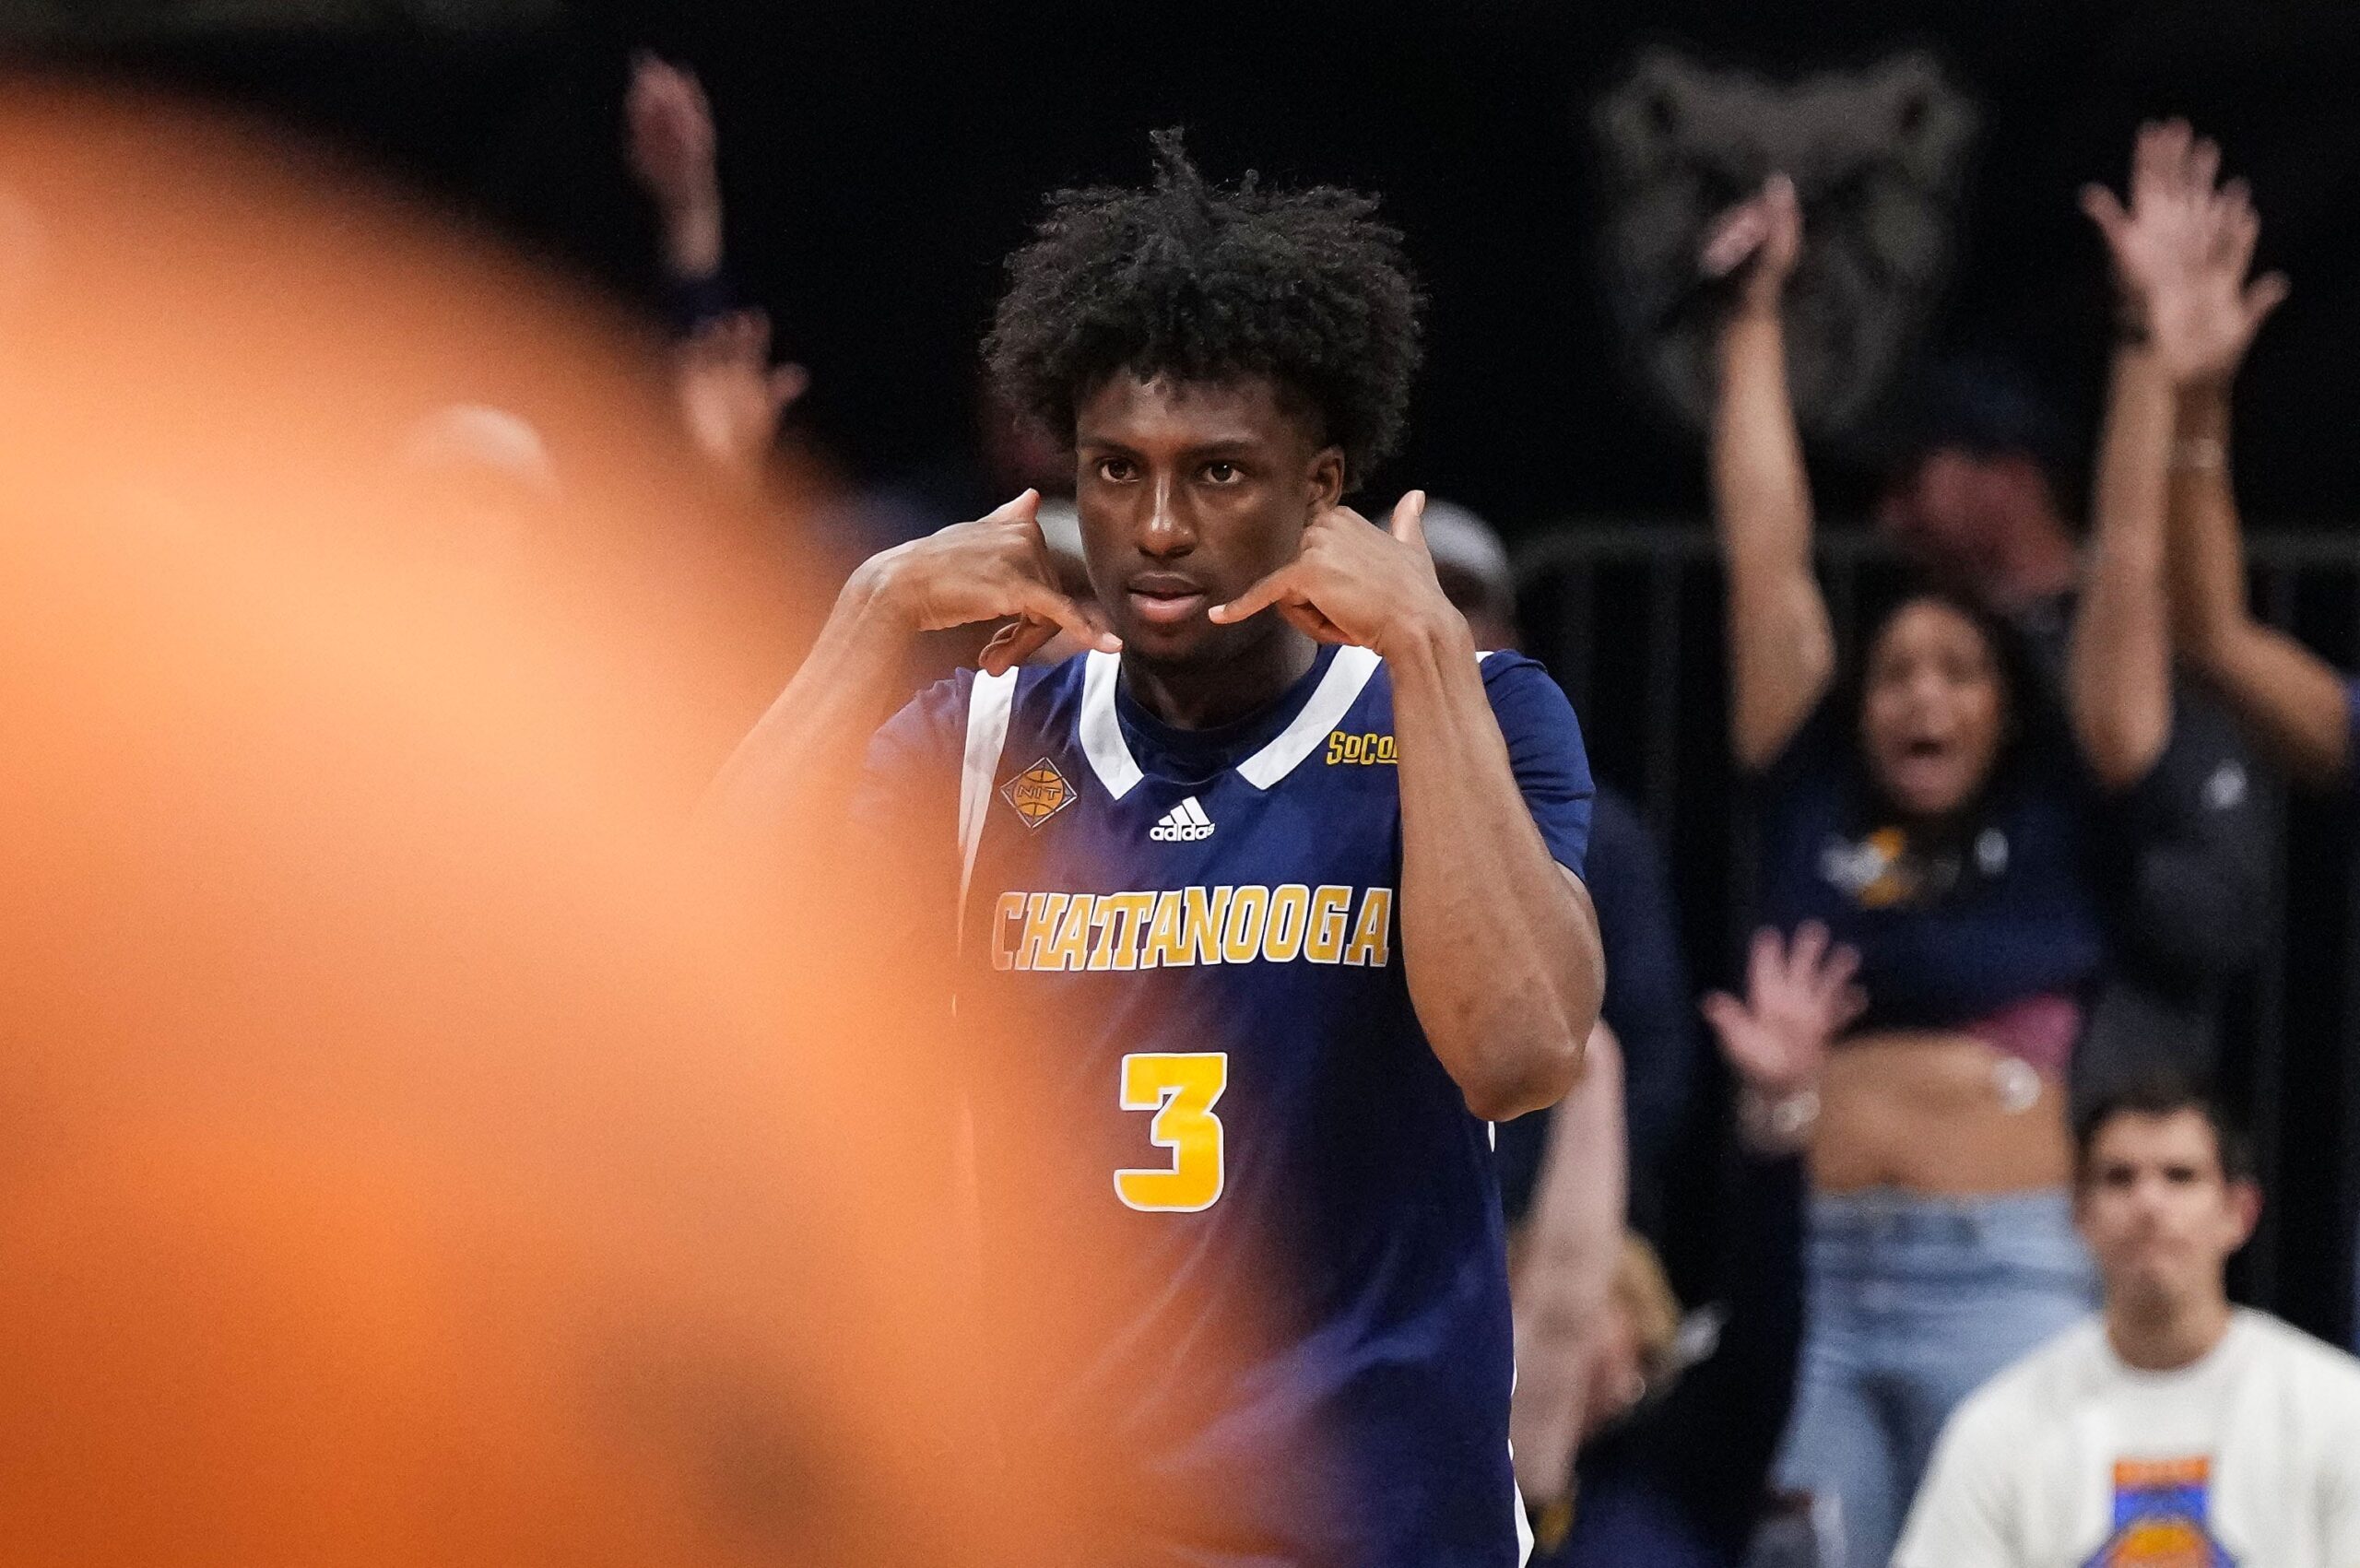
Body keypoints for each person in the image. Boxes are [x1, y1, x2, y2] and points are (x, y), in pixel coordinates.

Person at [706, 131, 1606, 1566]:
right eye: (1117, 469)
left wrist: (1428, 644)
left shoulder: (1478, 715)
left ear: (1324, 488)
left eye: (1221, 473)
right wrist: (864, 614)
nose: (1160, 526)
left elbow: (1519, 1053)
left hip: (1381, 1530)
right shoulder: (984, 742)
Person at [1705, 175, 2115, 1568]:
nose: (1921, 700)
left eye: (1956, 673)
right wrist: (1755, 320)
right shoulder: (1812, 788)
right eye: (1894, 674)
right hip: (1817, 1281)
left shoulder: (2065, 808)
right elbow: (1766, 551)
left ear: (2005, 702)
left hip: (2008, 1280)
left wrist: (2162, 365)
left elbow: (2128, 622)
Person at [1894, 1079, 2360, 1567]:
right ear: (2078, 1214)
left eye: (2180, 1177)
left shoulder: (2338, 1409)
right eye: (2120, 1178)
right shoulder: (1996, 1426)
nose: (2149, 1205)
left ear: (2238, 1212)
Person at [1513, 925, 1848, 1567]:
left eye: (1605, 1304)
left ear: (1645, 1329)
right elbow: (1555, 1314)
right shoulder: (1488, 1467)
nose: (1574, 1325)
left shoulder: (1692, 1461)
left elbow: (1766, 1309)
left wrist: (1776, 1114)